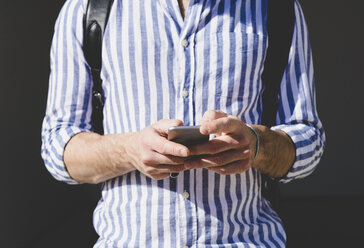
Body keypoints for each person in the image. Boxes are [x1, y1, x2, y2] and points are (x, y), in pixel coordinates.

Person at [41, 0, 325, 247]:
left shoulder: (276, 8)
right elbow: (59, 148)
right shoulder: (87, 9)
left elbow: (308, 139)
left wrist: (256, 145)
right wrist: (130, 150)